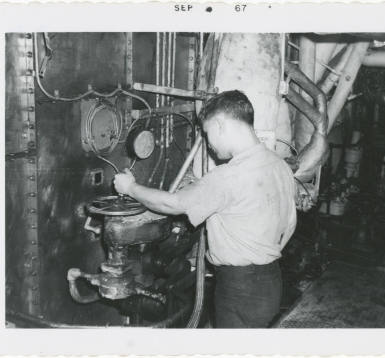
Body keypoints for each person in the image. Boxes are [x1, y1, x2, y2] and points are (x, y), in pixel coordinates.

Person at [114, 90, 297, 328]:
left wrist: (131, 187)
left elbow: (173, 203)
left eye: (208, 133)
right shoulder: (280, 165)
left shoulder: (229, 175)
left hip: (239, 289)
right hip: (271, 283)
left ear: (221, 125)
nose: (209, 145)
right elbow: (291, 224)